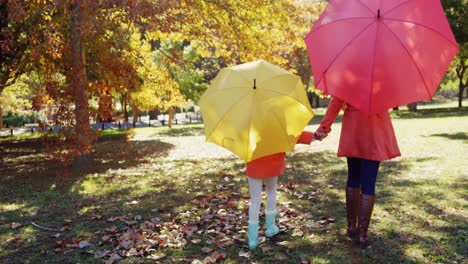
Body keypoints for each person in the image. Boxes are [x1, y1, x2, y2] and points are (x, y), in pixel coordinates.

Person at [315, 97, 400, 248]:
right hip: (375, 129)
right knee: (368, 182)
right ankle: (361, 234)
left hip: (354, 129)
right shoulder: (384, 75)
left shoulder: (349, 75)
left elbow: (336, 102)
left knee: (353, 177)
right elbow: (392, 100)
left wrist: (324, 127)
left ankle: (351, 227)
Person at [246, 131, 320, 250]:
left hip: (254, 164)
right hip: (273, 162)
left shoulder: (249, 122)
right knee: (271, 191)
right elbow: (292, 134)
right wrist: (313, 136)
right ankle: (270, 227)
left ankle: (252, 239)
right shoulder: (277, 120)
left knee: (255, 199)